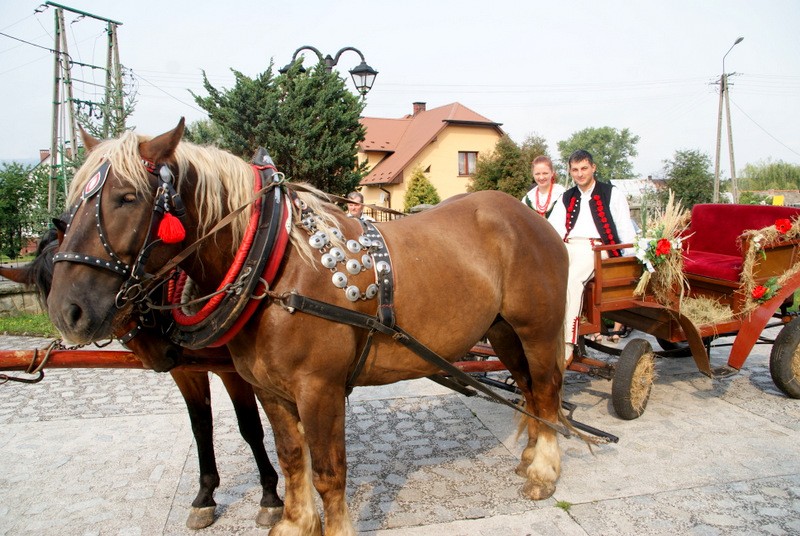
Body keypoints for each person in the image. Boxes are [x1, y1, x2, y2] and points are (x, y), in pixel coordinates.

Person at [548, 149, 637, 364]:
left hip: (598, 248)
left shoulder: (611, 193)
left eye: (584, 168)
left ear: (593, 168)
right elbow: (553, 229)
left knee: (572, 279)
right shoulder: (566, 197)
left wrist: (629, 260)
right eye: (575, 170)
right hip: (568, 246)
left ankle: (568, 341)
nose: (580, 174)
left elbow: (625, 228)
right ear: (570, 171)